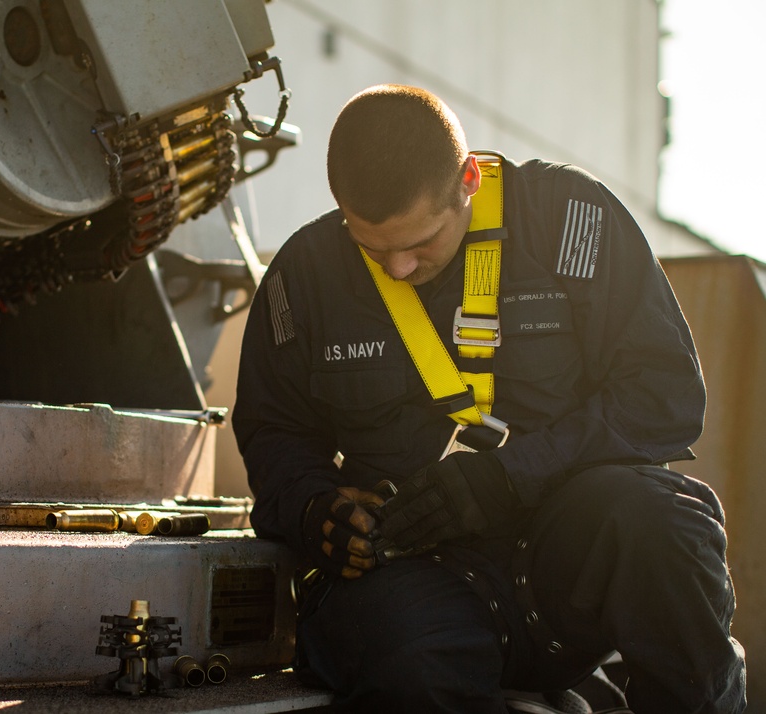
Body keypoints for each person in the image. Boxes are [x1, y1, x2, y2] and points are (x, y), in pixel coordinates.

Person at [232, 84, 747, 713]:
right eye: (373, 246)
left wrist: (510, 477)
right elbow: (275, 432)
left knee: (665, 522)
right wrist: (315, 512)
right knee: (410, 667)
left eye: (421, 242)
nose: (398, 267)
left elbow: (663, 395)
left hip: (565, 556)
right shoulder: (305, 274)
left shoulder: (567, 219)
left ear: (469, 179)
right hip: (413, 576)